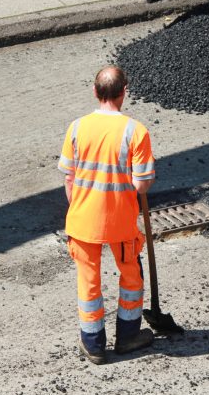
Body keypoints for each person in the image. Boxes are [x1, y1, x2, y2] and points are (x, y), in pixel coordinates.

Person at [58, 65, 157, 364]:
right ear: (124, 91)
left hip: (83, 221)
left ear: (95, 91)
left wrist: (79, 207)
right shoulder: (135, 131)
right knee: (130, 276)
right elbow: (141, 183)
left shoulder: (76, 127)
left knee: (88, 282)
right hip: (121, 222)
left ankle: (94, 345)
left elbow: (69, 178)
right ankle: (127, 337)